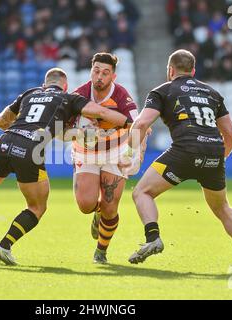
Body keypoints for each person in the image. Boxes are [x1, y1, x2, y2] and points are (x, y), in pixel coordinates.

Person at [0, 68, 130, 265]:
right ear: (65, 86)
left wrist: (22, 129)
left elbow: (0, 121)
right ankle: (4, 246)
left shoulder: (30, 93)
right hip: (30, 149)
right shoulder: (69, 98)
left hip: (5, 142)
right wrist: (128, 122)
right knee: (37, 207)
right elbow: (102, 112)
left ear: (45, 84)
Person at [120, 49, 232, 269]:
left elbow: (141, 124)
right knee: (222, 207)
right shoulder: (212, 93)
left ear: (170, 70)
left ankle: (153, 239)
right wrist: (220, 158)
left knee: (142, 192)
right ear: (193, 70)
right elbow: (231, 134)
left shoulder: (163, 90)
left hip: (184, 150)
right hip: (214, 152)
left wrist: (129, 153)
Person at [72, 52, 141, 264]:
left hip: (115, 153)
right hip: (86, 152)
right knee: (85, 205)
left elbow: (137, 126)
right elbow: (63, 126)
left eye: (105, 72)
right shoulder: (80, 93)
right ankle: (96, 212)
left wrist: (130, 155)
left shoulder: (120, 94)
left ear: (113, 76)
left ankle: (101, 251)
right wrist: (78, 130)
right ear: (91, 71)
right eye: (96, 71)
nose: (99, 76)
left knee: (110, 207)